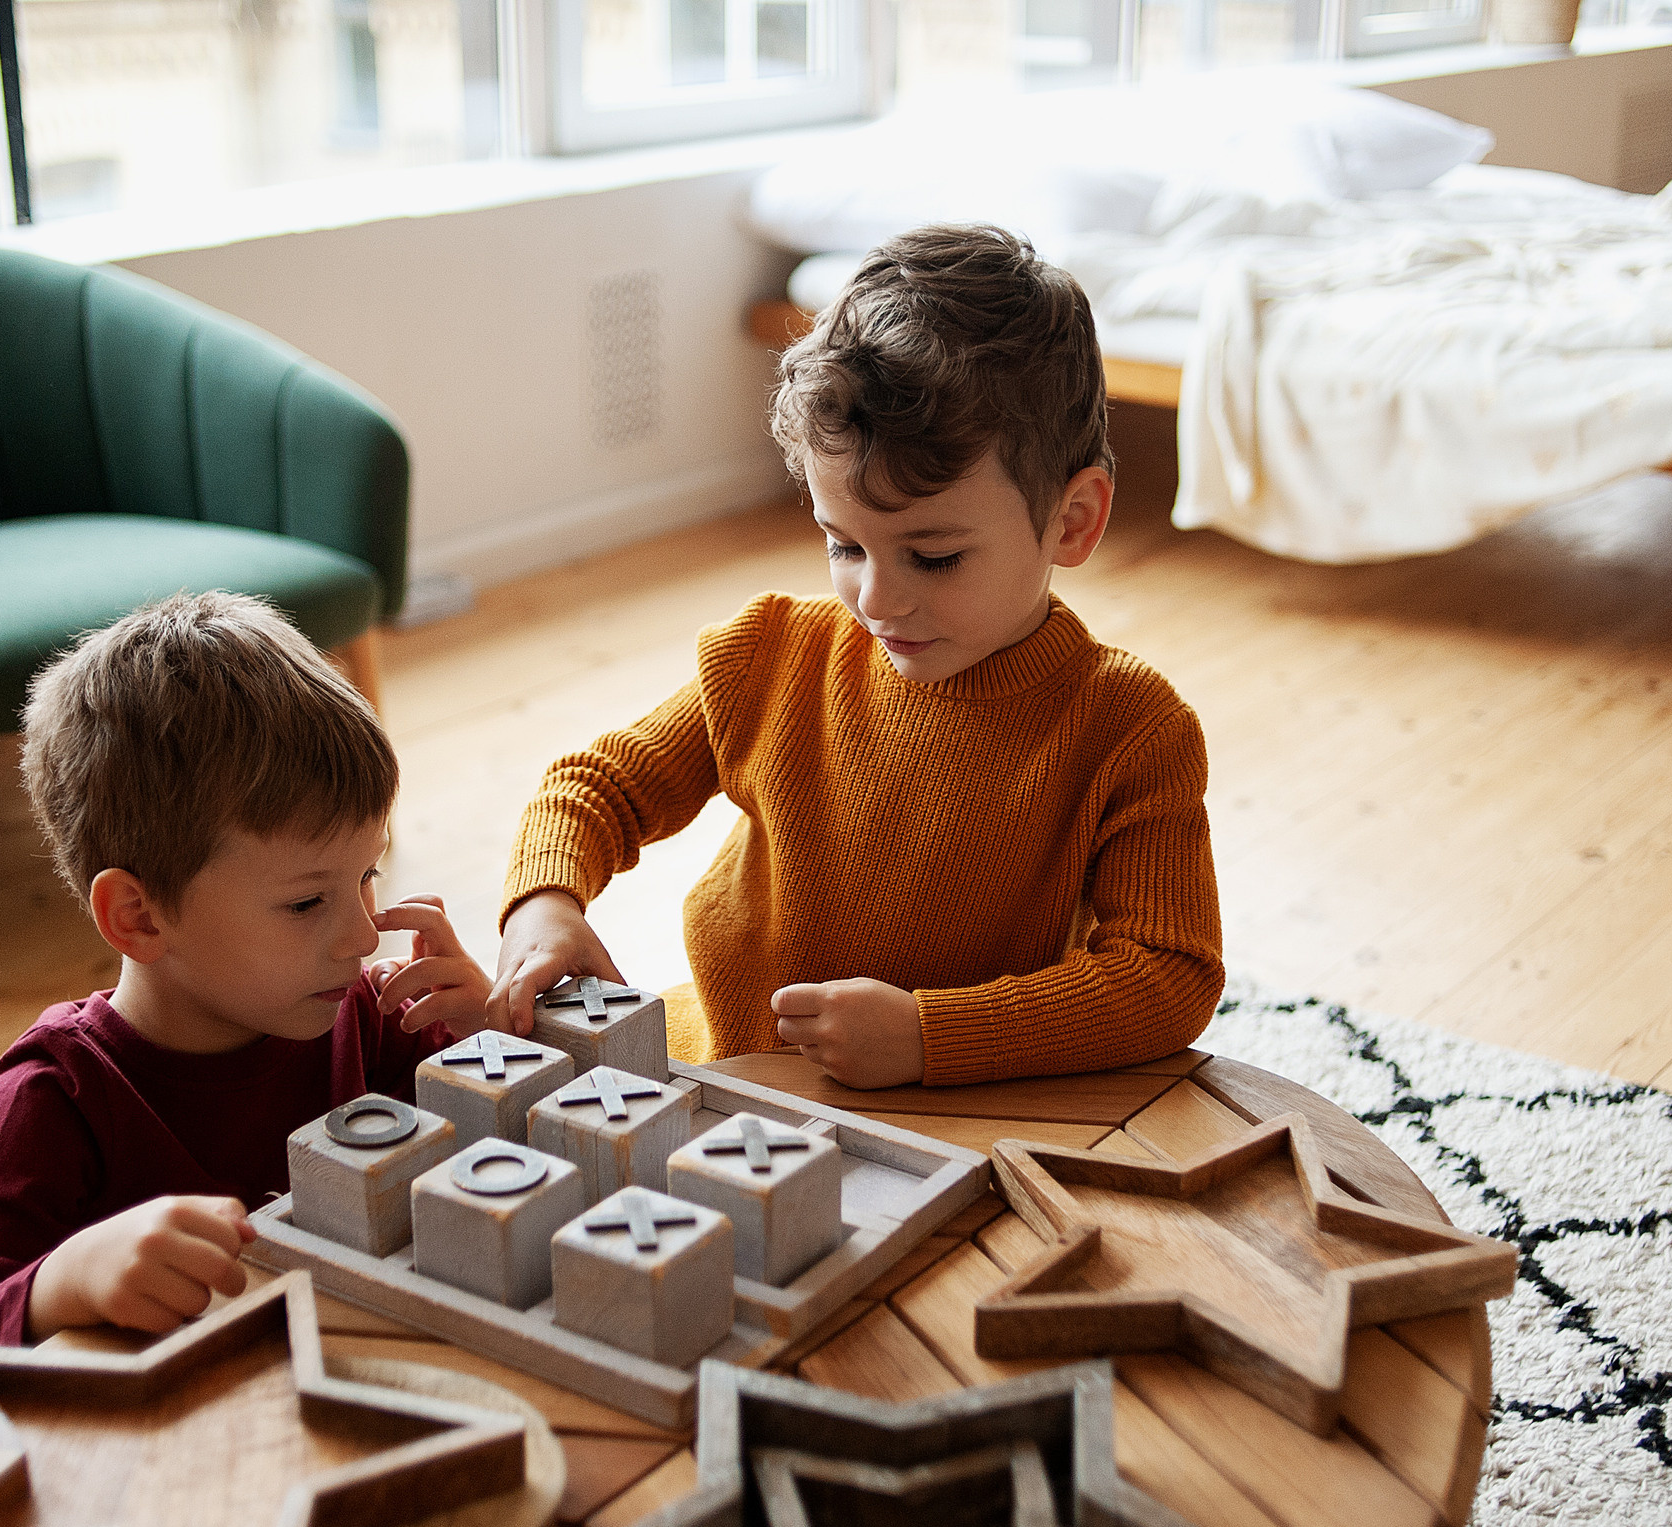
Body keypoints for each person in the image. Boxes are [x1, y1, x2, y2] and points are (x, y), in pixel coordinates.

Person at [486, 224, 1222, 1090]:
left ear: (1072, 521)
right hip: (723, 1076)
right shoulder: (770, 654)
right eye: (844, 546)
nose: (877, 600)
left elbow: (1168, 976)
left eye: (933, 556)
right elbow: (595, 786)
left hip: (946, 1120)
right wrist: (543, 904)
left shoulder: (1130, 729)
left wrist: (930, 1037)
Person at [0, 591, 488, 1428]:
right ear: (139, 916)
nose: (361, 936)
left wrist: (487, 1044)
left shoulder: (364, 1014)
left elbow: (485, 1196)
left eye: (367, 877)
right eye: (306, 903)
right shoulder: (57, 1094)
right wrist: (60, 1282)